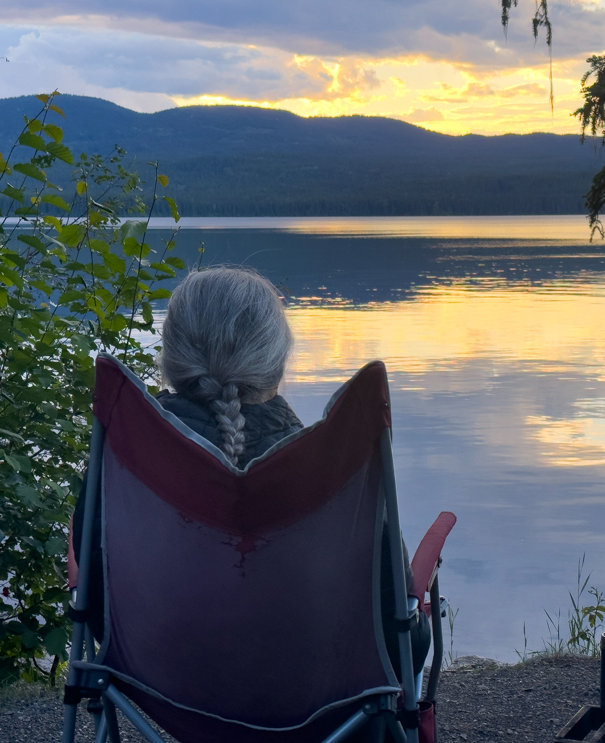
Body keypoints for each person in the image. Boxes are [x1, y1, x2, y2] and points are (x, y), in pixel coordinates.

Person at [71, 265, 430, 678]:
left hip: (167, 682)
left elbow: (95, 593)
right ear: (275, 363)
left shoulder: (127, 453)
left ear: (171, 357)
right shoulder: (329, 470)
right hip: (315, 694)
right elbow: (392, 623)